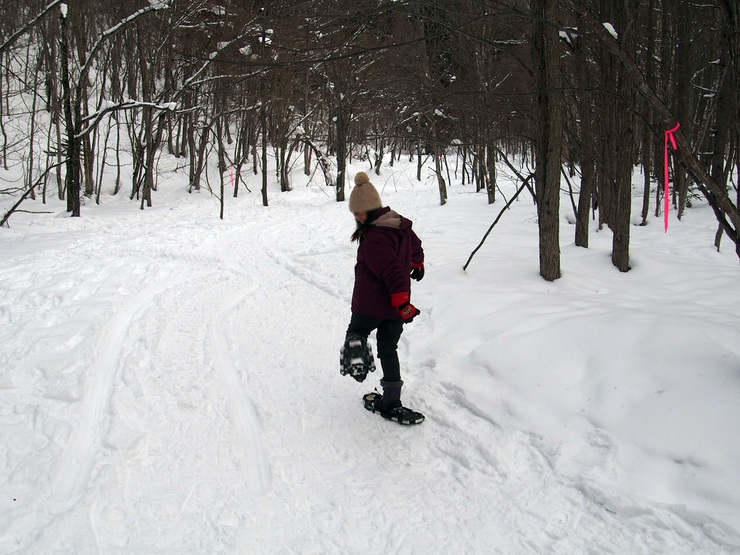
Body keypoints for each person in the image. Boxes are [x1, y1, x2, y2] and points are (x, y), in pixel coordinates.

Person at [340, 171, 426, 425]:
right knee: (388, 348)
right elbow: (415, 244)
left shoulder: (372, 239)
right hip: (394, 309)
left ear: (365, 210)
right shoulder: (398, 224)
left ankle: (358, 361)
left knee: (356, 332)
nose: (356, 218)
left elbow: (391, 272)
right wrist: (417, 263)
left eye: (357, 213)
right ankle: (391, 401)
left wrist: (400, 298)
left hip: (371, 304)